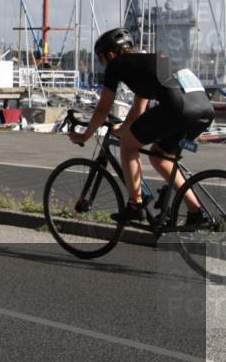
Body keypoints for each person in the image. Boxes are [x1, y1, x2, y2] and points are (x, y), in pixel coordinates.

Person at [69, 27, 214, 224]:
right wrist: (121, 130)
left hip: (178, 109)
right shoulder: (147, 63)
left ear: (110, 54)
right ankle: (196, 213)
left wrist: (84, 135)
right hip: (205, 110)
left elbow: (103, 107)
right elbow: (138, 109)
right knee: (162, 158)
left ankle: (135, 206)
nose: (103, 64)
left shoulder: (116, 65)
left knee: (128, 147)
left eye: (101, 59)